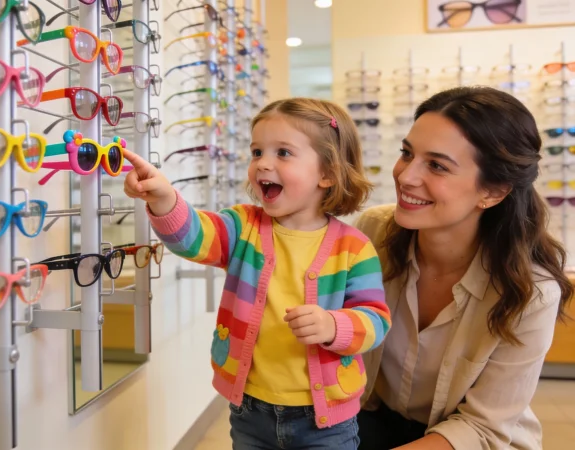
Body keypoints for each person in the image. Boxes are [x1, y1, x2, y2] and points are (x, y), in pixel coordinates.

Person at [123, 98, 392, 449]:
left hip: (326, 421)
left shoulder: (354, 249)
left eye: (283, 153)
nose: (263, 163)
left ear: (327, 173)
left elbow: (376, 320)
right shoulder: (242, 226)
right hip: (250, 412)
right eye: (256, 152)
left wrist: (333, 326)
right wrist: (163, 199)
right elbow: (193, 237)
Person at [353, 86, 574, 450]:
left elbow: (483, 428)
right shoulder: (371, 233)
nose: (406, 177)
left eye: (437, 165)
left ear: (494, 191)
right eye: (407, 153)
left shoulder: (531, 291)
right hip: (373, 422)